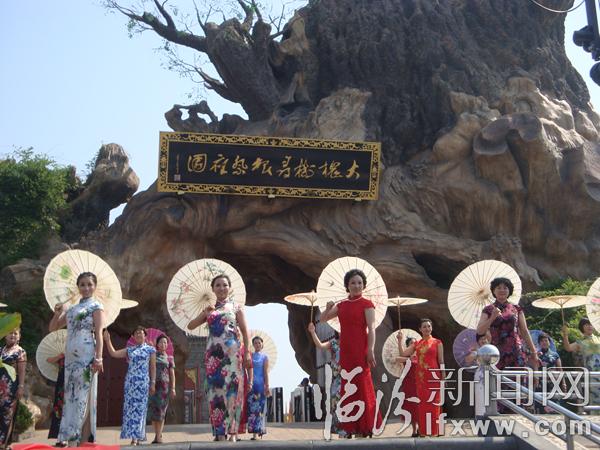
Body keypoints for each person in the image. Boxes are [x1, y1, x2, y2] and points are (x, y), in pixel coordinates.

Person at [187, 274, 251, 442]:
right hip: (213, 356)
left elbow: (246, 332)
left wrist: (247, 353)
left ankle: (233, 431)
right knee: (215, 392)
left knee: (233, 390)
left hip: (232, 355)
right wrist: (204, 313)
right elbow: (190, 326)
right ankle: (219, 431)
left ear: (229, 288)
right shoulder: (210, 309)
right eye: (218, 285)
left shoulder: (236, 307)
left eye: (224, 285)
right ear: (213, 289)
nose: (222, 288)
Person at [319, 268, 382, 438]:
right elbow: (323, 319)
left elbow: (371, 329)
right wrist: (327, 308)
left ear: (364, 285)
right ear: (347, 285)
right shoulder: (342, 305)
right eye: (353, 283)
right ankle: (350, 426)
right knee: (347, 387)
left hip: (360, 350)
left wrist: (370, 350)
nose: (356, 285)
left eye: (360, 283)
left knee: (362, 385)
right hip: (346, 352)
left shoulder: (367, 304)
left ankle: (365, 427)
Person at [49, 272, 105, 447]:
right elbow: (53, 328)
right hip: (71, 356)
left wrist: (99, 358)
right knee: (70, 394)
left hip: (86, 354)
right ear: (78, 287)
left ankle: (77, 436)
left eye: (89, 284)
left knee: (82, 394)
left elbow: (99, 333)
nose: (86, 287)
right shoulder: (72, 309)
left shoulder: (96, 306)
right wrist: (57, 313)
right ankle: (66, 434)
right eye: (82, 284)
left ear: (94, 286)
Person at [103, 326, 156, 445]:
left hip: (142, 383)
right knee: (130, 409)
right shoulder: (130, 350)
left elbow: (153, 367)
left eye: (141, 333)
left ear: (145, 336)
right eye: (136, 333)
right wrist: (108, 340)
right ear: (133, 336)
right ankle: (134, 437)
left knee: (140, 409)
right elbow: (114, 353)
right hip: (130, 383)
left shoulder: (150, 350)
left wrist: (153, 383)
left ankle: (137, 437)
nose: (138, 335)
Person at [476, 277, 539, 371]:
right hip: (496, 352)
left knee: (518, 378)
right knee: (497, 379)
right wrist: (492, 317)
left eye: (505, 288)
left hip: (516, 350)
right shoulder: (488, 310)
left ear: (509, 291)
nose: (502, 290)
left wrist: (534, 351)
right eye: (498, 288)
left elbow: (524, 331)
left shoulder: (516, 308)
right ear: (493, 291)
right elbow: (480, 331)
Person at [399, 319, 444, 437]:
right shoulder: (417, 344)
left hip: (434, 376)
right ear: (420, 329)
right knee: (423, 404)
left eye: (429, 326)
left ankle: (434, 430)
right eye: (424, 327)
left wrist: (443, 374)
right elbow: (403, 354)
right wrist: (399, 340)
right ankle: (424, 431)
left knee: (434, 402)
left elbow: (441, 360)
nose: (427, 329)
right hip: (421, 378)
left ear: (431, 328)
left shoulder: (437, 342)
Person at [307, 322, 342, 436]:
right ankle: (338, 426)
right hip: (336, 377)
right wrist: (313, 332)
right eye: (339, 329)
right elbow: (320, 345)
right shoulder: (333, 343)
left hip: (349, 376)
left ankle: (349, 426)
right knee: (335, 401)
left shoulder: (352, 342)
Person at [563, 318, 600, 414]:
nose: (589, 326)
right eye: (586, 324)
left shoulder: (598, 338)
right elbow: (568, 348)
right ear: (582, 327)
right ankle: (595, 417)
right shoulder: (580, 342)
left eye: (590, 324)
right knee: (594, 396)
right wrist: (565, 335)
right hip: (591, 374)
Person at [0, 328, 26, 450]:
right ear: (5, 335)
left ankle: (3, 444)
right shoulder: (1, 350)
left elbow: (22, 372)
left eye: (16, 333)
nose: (13, 335)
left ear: (19, 336)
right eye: (10, 333)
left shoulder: (20, 352)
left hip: (11, 387)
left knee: (8, 415)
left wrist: (21, 387)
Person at [147, 334, 175, 444]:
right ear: (157, 344)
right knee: (153, 412)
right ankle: (157, 435)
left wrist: (173, 388)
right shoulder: (152, 354)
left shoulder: (170, 358)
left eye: (165, 342)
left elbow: (172, 374)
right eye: (161, 342)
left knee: (161, 412)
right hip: (153, 386)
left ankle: (158, 436)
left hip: (164, 388)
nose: (163, 344)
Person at [534, 332, 565, 414]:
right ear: (539, 343)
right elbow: (535, 368)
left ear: (549, 342)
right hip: (540, 384)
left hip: (553, 383)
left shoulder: (555, 355)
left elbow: (560, 369)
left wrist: (563, 383)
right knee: (541, 406)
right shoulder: (537, 355)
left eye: (546, 340)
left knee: (554, 406)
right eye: (542, 341)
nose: (544, 342)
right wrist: (536, 380)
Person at [246, 336, 270, 440]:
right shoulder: (250, 356)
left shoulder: (265, 357)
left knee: (260, 408)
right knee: (252, 409)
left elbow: (265, 372)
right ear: (253, 345)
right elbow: (247, 369)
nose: (257, 344)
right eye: (255, 343)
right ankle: (254, 433)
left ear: (262, 344)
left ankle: (260, 430)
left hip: (261, 385)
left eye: (259, 343)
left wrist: (267, 386)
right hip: (251, 385)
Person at [396, 335, 418, 437]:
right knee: (411, 406)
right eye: (411, 344)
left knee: (420, 406)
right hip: (409, 385)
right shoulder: (405, 358)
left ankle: (421, 427)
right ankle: (414, 429)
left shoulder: (421, 356)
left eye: (415, 343)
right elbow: (397, 358)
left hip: (420, 384)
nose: (413, 345)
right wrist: (399, 341)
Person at [47, 353, 66, 447]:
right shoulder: (62, 356)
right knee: (59, 411)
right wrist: (59, 356)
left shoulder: (76, 355)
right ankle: (60, 438)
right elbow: (49, 360)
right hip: (61, 386)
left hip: (72, 385)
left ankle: (68, 438)